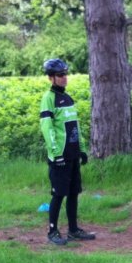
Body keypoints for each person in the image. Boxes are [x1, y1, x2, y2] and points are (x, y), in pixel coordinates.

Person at [40, 58, 96, 245]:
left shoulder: (68, 98)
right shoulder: (48, 99)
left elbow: (74, 127)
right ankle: (52, 232)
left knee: (73, 193)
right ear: (51, 78)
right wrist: (55, 154)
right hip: (60, 157)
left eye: (65, 74)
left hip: (73, 155)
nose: (64, 78)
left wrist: (81, 149)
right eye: (60, 75)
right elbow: (47, 129)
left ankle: (73, 230)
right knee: (58, 194)